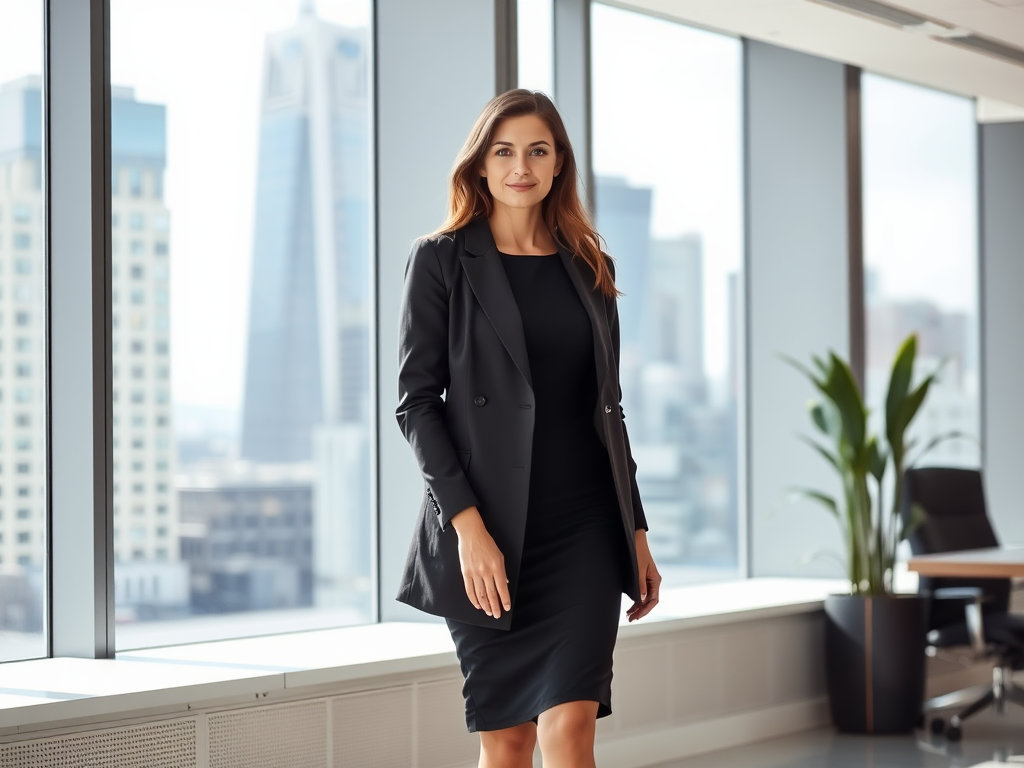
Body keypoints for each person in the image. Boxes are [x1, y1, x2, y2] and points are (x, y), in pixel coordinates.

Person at [395, 89, 661, 768]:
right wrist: (468, 530)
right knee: (507, 740)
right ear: (481, 165)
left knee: (570, 731)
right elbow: (417, 403)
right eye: (504, 151)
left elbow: (610, 410)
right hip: (491, 532)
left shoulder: (590, 267)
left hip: (585, 531)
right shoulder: (442, 260)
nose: (522, 166)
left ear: (559, 164)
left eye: (538, 151)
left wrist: (637, 533)